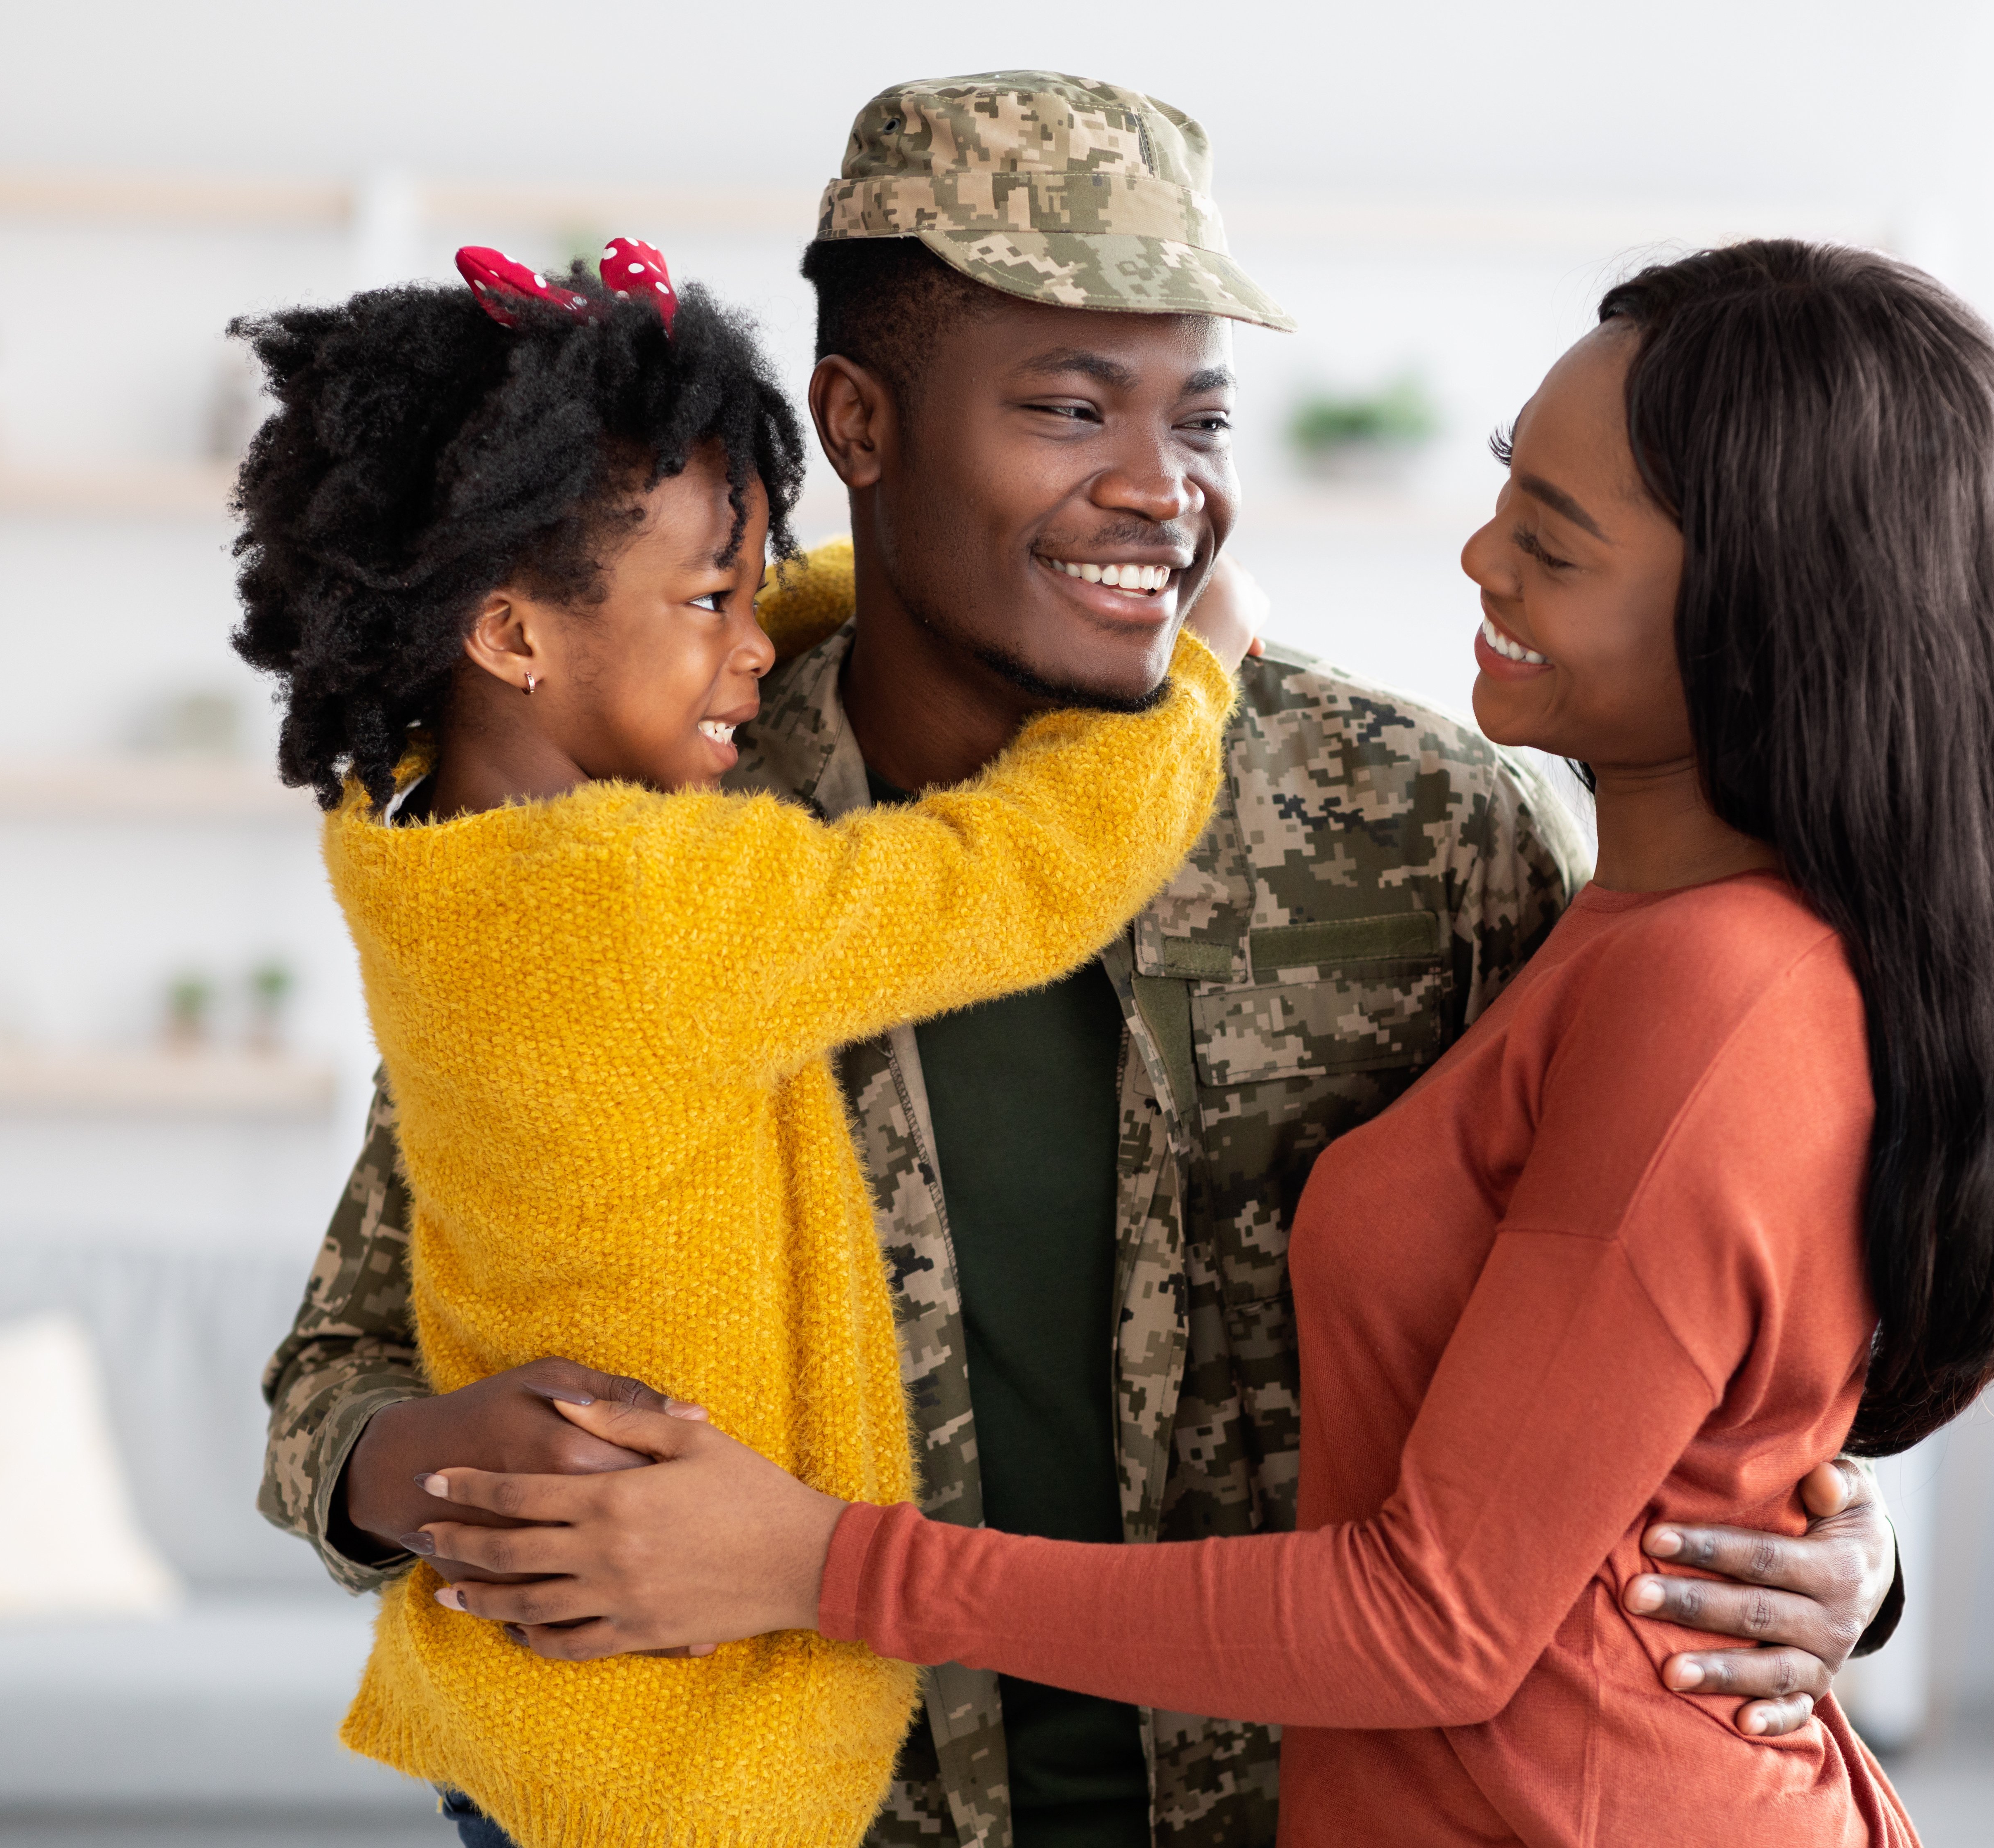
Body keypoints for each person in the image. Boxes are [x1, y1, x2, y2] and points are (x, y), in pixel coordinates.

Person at [259, 74, 1904, 1848]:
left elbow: (1670, 1282)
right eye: (1065, 407)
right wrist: (440, 1471)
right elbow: (340, 1366)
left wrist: (1832, 1542)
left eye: (1198, 416)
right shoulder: (649, 844)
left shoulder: (1426, 827)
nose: (1159, 489)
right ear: (859, 423)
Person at [229, 237, 1250, 1847]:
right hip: (690, 1750)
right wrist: (1193, 679)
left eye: (758, 589)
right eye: (717, 600)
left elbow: (704, 623)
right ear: (512, 633)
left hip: (546, 1727)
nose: (758, 645)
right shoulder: (643, 900)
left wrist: (842, 594)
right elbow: (1018, 876)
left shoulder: (438, 832)